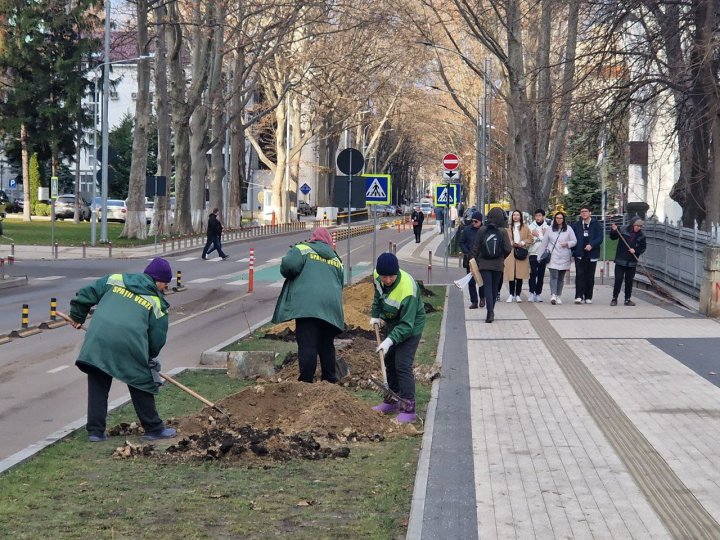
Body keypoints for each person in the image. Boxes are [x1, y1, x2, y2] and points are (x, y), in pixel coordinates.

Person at [69, 257, 176, 442]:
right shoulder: (157, 303)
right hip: (129, 345)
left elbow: (86, 294)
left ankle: (95, 432)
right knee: (141, 382)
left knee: (98, 382)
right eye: (165, 286)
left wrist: (77, 316)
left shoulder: (115, 279)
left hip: (98, 340)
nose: (164, 290)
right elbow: (157, 338)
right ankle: (154, 429)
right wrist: (149, 357)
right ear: (158, 281)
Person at [272, 227, 344, 383]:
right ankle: (329, 380)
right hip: (330, 308)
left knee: (308, 343)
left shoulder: (303, 249)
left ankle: (306, 381)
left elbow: (287, 266)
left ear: (313, 238)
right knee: (326, 344)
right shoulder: (337, 259)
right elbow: (340, 282)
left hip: (308, 306)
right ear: (328, 241)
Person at [370, 253, 425, 422]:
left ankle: (409, 408)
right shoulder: (377, 276)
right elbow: (378, 297)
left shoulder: (407, 289)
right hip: (393, 323)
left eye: (390, 277)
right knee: (389, 360)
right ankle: (392, 400)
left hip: (411, 325)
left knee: (402, 364)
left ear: (396, 273)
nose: (387, 280)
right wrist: (376, 315)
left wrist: (389, 341)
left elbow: (407, 325)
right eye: (384, 276)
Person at [471, 207, 512, 323]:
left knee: (487, 287)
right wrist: (502, 257)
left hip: (484, 264)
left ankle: (490, 312)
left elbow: (475, 248)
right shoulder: (503, 231)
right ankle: (491, 310)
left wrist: (474, 261)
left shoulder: (482, 230)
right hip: (498, 264)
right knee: (494, 288)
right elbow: (508, 248)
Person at [539, 212, 578, 305]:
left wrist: (567, 243)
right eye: (557, 218)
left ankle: (558, 295)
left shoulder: (569, 229)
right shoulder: (550, 229)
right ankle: (553, 294)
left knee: (561, 278)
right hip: (553, 256)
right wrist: (539, 256)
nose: (559, 219)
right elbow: (544, 243)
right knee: (553, 276)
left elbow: (574, 241)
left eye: (561, 218)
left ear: (564, 219)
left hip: (564, 256)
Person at [610, 218, 647, 306]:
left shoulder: (642, 236)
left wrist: (635, 251)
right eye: (637, 226)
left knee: (629, 281)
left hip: (631, 262)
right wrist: (614, 230)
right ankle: (614, 298)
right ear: (632, 225)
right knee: (618, 280)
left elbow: (643, 248)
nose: (638, 228)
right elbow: (613, 237)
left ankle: (627, 299)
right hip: (620, 260)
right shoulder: (623, 230)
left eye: (640, 226)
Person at [570, 205, 603, 304]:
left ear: (590, 213)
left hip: (592, 254)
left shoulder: (596, 224)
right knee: (580, 275)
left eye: (586, 211)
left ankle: (588, 296)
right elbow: (572, 238)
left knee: (590, 276)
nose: (584, 213)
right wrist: (573, 251)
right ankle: (579, 296)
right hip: (580, 253)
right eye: (582, 211)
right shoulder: (576, 225)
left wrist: (591, 245)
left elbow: (600, 237)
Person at [504, 209, 533, 302]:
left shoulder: (525, 227)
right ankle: (511, 294)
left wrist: (523, 242)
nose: (515, 217)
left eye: (517, 215)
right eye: (514, 215)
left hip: (520, 252)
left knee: (519, 275)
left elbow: (530, 238)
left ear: (520, 217)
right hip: (511, 253)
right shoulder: (508, 228)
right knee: (511, 274)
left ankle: (518, 295)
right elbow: (504, 239)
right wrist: (510, 242)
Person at [460, 211, 485, 309]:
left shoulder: (484, 230)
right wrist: (467, 252)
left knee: (481, 281)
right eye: (472, 221)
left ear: (480, 221)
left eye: (476, 221)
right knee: (471, 282)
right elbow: (462, 242)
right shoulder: (467, 230)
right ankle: (474, 301)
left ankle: (482, 298)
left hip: (482, 259)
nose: (473, 223)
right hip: (470, 259)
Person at [528, 209, 550, 302]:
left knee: (541, 274)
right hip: (533, 252)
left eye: (540, 216)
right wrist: (532, 236)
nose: (538, 217)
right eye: (536, 216)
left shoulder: (548, 227)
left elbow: (550, 240)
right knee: (533, 273)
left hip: (543, 253)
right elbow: (527, 239)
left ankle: (538, 293)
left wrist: (544, 235)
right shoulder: (530, 227)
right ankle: (531, 293)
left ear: (543, 216)